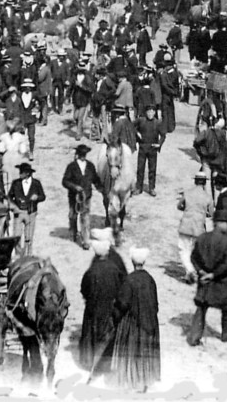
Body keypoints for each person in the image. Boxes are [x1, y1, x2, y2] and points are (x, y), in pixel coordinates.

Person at [111, 248, 161, 392]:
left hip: (133, 323)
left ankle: (131, 382)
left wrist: (115, 314)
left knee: (131, 352)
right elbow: (155, 304)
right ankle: (145, 381)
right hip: (150, 321)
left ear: (132, 262)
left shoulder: (129, 280)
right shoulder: (150, 279)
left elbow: (123, 303)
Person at [187, 215, 227, 346]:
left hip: (204, 282)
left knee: (201, 308)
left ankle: (194, 337)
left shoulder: (202, 237)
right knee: (226, 308)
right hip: (221, 282)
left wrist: (201, 271)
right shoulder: (225, 241)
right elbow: (226, 265)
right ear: (218, 223)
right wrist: (213, 275)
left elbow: (193, 257)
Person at [80, 239, 124, 377]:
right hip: (110, 308)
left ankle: (89, 362)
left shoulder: (91, 271)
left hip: (93, 308)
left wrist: (89, 299)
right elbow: (121, 288)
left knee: (91, 334)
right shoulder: (115, 269)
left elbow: (84, 289)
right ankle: (105, 363)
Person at [61, 144, 102, 249]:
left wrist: (101, 187)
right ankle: (73, 233)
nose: (83, 156)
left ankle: (85, 240)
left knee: (85, 217)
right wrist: (74, 187)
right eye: (81, 154)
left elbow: (95, 179)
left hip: (86, 196)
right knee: (73, 215)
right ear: (78, 155)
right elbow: (65, 181)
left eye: (85, 154)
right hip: (74, 197)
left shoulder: (90, 166)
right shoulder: (71, 166)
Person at [177, 171, 214, 284]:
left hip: (186, 225)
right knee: (194, 251)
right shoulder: (207, 197)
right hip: (199, 227)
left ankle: (190, 271)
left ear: (195, 181)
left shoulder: (187, 193)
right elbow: (211, 213)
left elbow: (179, 205)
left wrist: (187, 209)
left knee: (183, 250)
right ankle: (193, 271)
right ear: (204, 183)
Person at [7, 163, 46, 256]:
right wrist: (13, 207)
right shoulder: (16, 183)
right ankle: (18, 255)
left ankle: (28, 255)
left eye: (22, 172)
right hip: (18, 212)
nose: (20, 174)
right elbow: (9, 196)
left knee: (29, 237)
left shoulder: (36, 183)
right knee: (16, 236)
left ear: (27, 173)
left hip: (31, 213)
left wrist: (37, 197)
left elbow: (43, 196)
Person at [134, 105, 165, 196]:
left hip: (152, 149)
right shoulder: (141, 120)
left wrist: (159, 144)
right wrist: (137, 134)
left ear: (155, 113)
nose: (150, 114)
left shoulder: (158, 123)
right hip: (143, 147)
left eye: (152, 111)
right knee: (140, 168)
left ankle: (151, 188)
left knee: (152, 169)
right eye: (148, 111)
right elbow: (131, 126)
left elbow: (163, 135)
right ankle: (139, 188)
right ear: (146, 112)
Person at [0, 119, 29, 193]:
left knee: (7, 175)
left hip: (6, 156)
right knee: (16, 175)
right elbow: (23, 150)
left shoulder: (4, 137)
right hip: (16, 156)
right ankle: (16, 192)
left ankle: (7, 192)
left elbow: (1, 149)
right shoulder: (21, 137)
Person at [18, 78, 41, 160]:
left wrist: (37, 109)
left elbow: (42, 102)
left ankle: (31, 152)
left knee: (31, 137)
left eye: (29, 87)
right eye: (26, 87)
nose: (27, 88)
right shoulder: (20, 95)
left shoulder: (35, 95)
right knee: (20, 137)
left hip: (31, 119)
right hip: (22, 119)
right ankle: (20, 152)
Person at [158, 54, 179, 133]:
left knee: (165, 110)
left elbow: (164, 85)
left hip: (166, 94)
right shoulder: (175, 73)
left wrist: (171, 92)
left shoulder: (165, 74)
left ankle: (165, 127)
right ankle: (171, 126)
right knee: (170, 110)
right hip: (171, 93)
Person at [50, 48, 71, 115]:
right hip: (53, 81)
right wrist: (50, 77)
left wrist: (67, 80)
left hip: (61, 81)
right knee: (52, 94)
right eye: (60, 55)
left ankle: (60, 109)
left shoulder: (66, 63)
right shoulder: (53, 62)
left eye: (63, 56)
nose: (62, 57)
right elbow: (50, 70)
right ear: (58, 56)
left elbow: (68, 73)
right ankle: (53, 108)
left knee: (61, 95)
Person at [36, 55, 52, 125]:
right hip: (44, 89)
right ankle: (41, 119)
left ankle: (44, 120)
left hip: (43, 89)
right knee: (43, 104)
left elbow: (39, 78)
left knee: (43, 105)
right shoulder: (46, 68)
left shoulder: (44, 69)